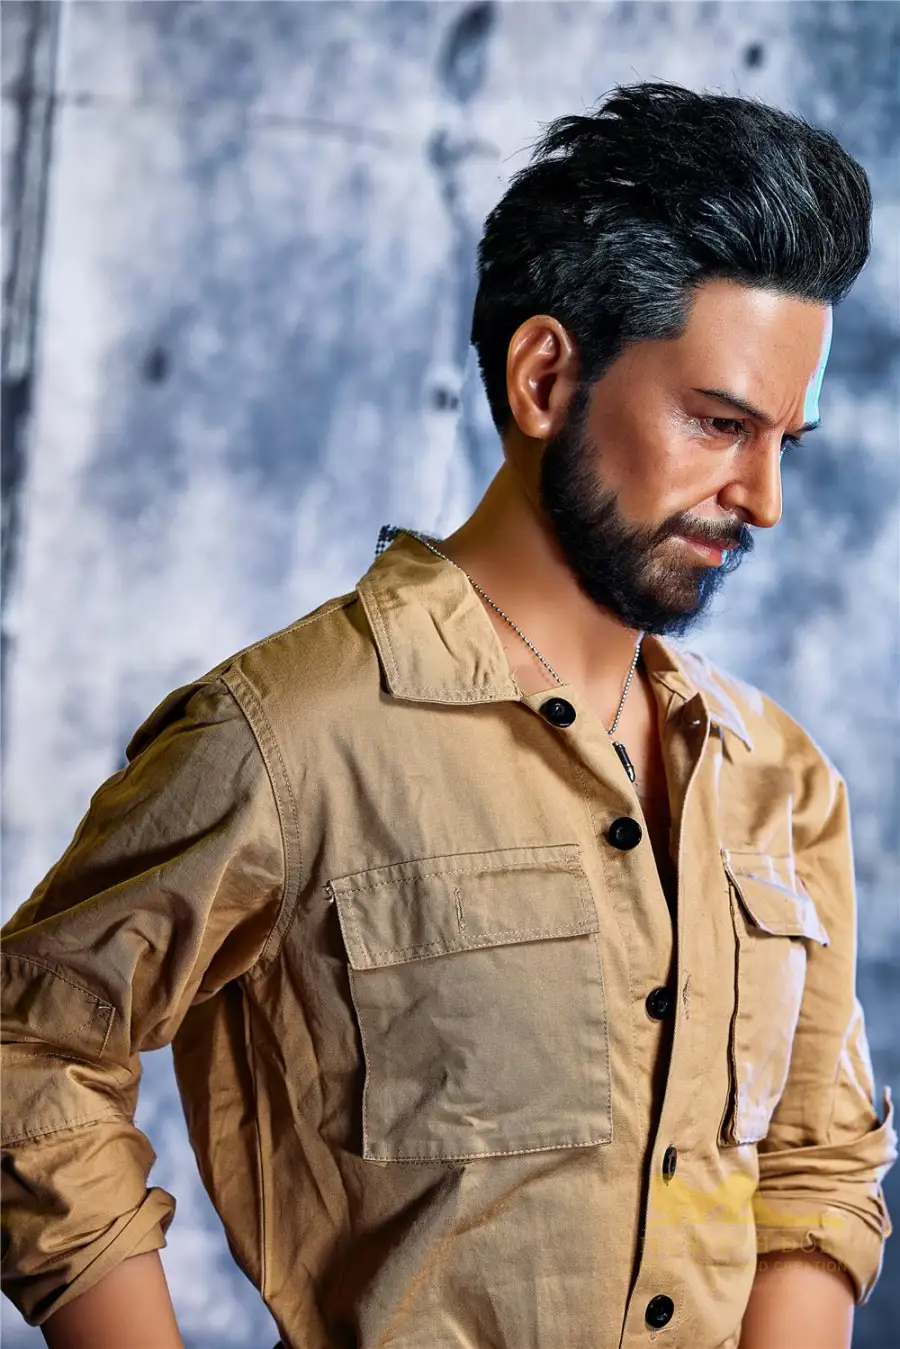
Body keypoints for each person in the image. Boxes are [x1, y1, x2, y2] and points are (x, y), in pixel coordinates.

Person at [1, 80, 895, 1349]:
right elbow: (28, 1049)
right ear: (545, 376)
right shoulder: (291, 735)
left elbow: (816, 1158)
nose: (763, 498)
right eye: (718, 423)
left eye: (784, 443)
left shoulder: (781, 780)